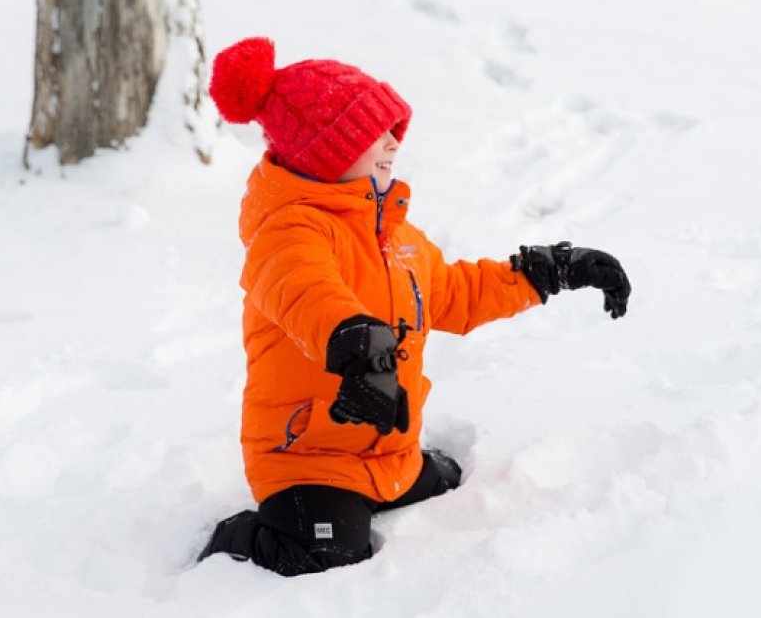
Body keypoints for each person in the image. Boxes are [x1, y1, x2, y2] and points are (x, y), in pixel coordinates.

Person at [197, 37, 631, 576]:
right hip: (310, 461)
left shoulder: (396, 238)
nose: (391, 144)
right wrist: (356, 342)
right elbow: (307, 294)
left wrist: (548, 271)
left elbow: (457, 293)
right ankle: (238, 536)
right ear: (324, 153)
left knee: (450, 486)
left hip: (390, 455)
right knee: (327, 557)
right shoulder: (286, 233)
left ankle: (399, 474)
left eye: (392, 131)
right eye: (370, 134)